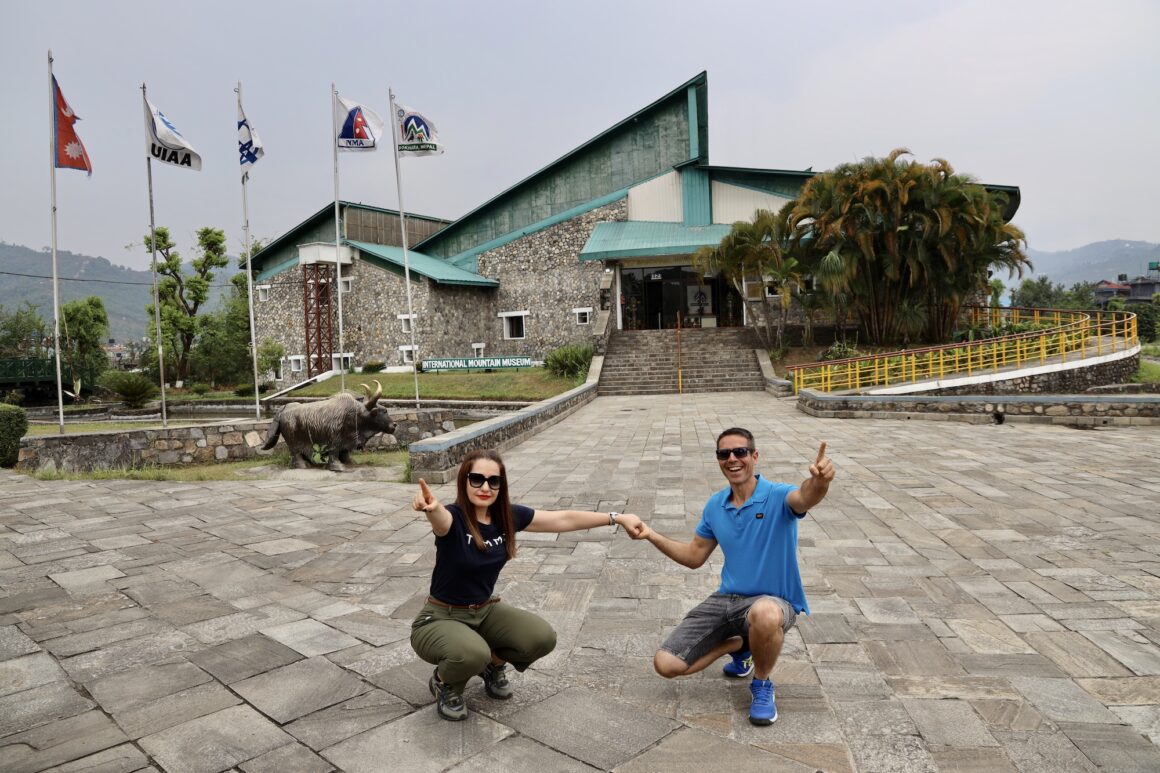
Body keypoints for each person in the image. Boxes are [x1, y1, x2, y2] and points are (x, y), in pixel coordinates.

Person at [411, 448, 645, 721]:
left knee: (541, 638)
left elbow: (562, 518)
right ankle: (445, 682)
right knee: (472, 653)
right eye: (476, 479)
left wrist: (616, 518)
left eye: (493, 481)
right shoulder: (454, 517)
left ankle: (492, 666)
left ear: (501, 485)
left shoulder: (506, 517)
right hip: (440, 617)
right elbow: (441, 521)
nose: (485, 487)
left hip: (484, 610)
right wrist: (432, 508)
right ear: (464, 481)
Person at [630, 427, 834, 726]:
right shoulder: (716, 505)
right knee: (666, 664)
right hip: (727, 601)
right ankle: (739, 645)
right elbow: (693, 557)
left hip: (774, 603)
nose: (732, 459)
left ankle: (762, 683)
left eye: (740, 452)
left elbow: (805, 497)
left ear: (754, 456)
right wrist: (650, 535)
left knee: (764, 613)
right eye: (724, 454)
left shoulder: (777, 496)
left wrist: (820, 481)